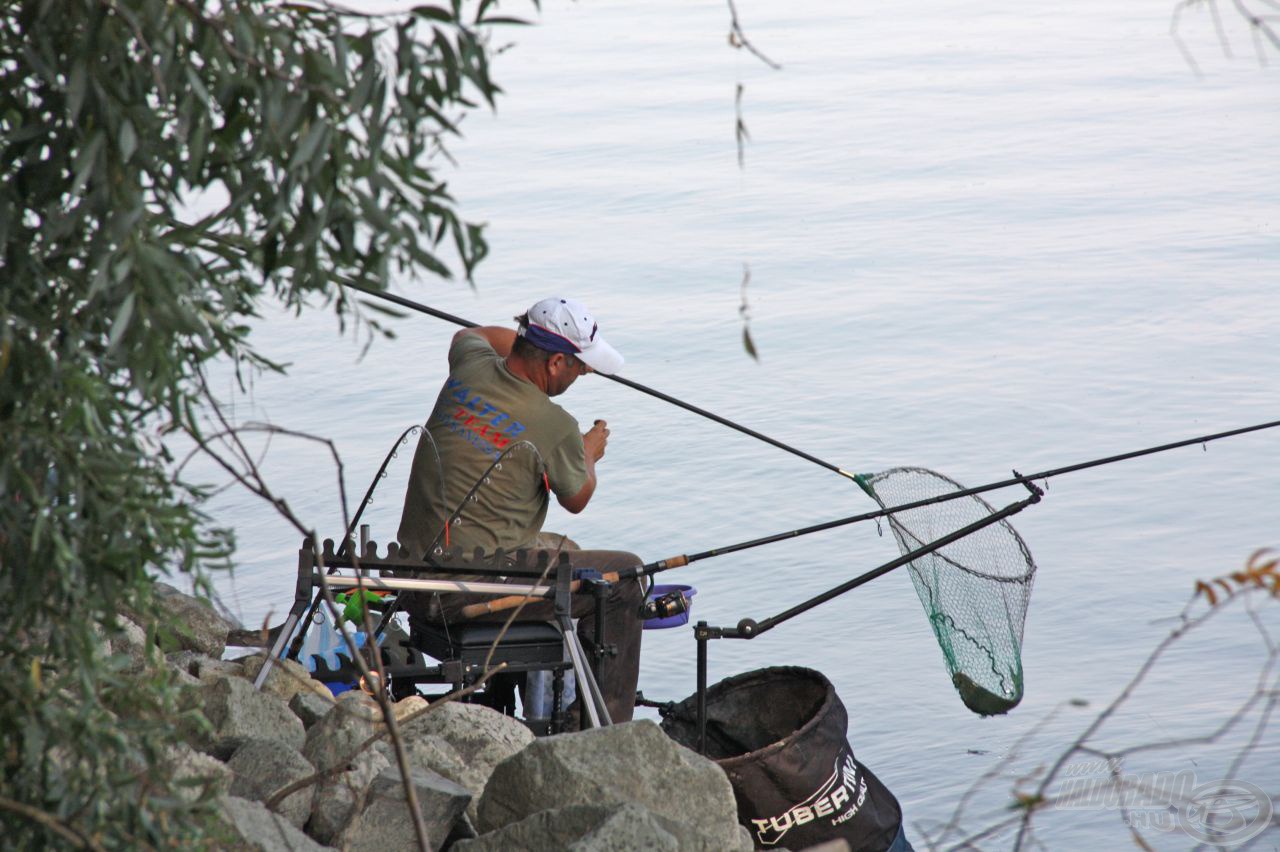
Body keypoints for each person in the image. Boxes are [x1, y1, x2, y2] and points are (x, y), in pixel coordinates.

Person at [396, 297, 644, 724]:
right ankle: (609, 725)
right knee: (624, 577)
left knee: (564, 547)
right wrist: (588, 453)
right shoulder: (555, 424)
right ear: (554, 364)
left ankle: (513, 698)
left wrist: (531, 341)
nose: (583, 372)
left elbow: (469, 335)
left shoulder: (470, 366)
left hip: (413, 572)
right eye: (578, 365)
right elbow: (577, 497)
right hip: (466, 591)